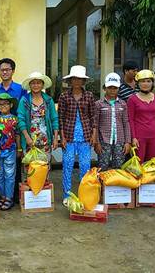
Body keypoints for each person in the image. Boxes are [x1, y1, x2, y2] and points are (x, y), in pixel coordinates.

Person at [58, 65, 97, 206]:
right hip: (68, 136)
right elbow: (60, 118)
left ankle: (84, 194)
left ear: (83, 81)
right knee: (67, 166)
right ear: (70, 80)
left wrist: (93, 134)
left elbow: (93, 116)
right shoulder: (64, 96)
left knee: (85, 166)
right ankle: (67, 194)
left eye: (80, 79)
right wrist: (62, 137)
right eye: (74, 78)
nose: (77, 81)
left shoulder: (89, 96)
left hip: (85, 136)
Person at [0, 58, 26, 203]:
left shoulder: (20, 89)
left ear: (13, 71)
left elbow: (23, 109)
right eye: (2, 70)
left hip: (14, 132)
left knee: (13, 169)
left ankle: (13, 197)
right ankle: (1, 195)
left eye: (8, 69)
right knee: (0, 172)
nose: (5, 72)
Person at [17, 72, 59, 164]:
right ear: (29, 85)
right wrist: (27, 137)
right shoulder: (24, 100)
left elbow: (54, 119)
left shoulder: (48, 100)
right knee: (31, 172)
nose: (36, 85)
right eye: (33, 83)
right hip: (29, 142)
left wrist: (55, 138)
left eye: (38, 83)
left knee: (44, 171)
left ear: (42, 84)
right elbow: (20, 119)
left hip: (45, 142)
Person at [93, 73, 132, 170]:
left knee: (119, 166)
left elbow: (126, 123)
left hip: (120, 141)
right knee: (103, 166)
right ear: (104, 88)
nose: (112, 90)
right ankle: (102, 185)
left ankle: (117, 185)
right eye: (109, 87)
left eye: (115, 88)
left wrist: (128, 142)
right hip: (104, 140)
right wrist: (96, 142)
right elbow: (95, 125)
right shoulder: (98, 104)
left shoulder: (123, 104)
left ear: (118, 89)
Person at [127, 69, 155, 163]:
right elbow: (130, 120)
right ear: (138, 83)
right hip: (139, 138)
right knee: (139, 164)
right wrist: (133, 137)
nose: (145, 84)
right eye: (142, 81)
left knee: (152, 164)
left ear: (152, 83)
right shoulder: (132, 99)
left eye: (148, 81)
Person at [0, 93, 21, 211]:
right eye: (0, 104)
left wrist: (19, 149)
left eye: (6, 103)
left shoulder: (14, 119)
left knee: (9, 175)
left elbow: (17, 135)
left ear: (11, 104)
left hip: (10, 151)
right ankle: (2, 196)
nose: (3, 106)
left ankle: (9, 198)